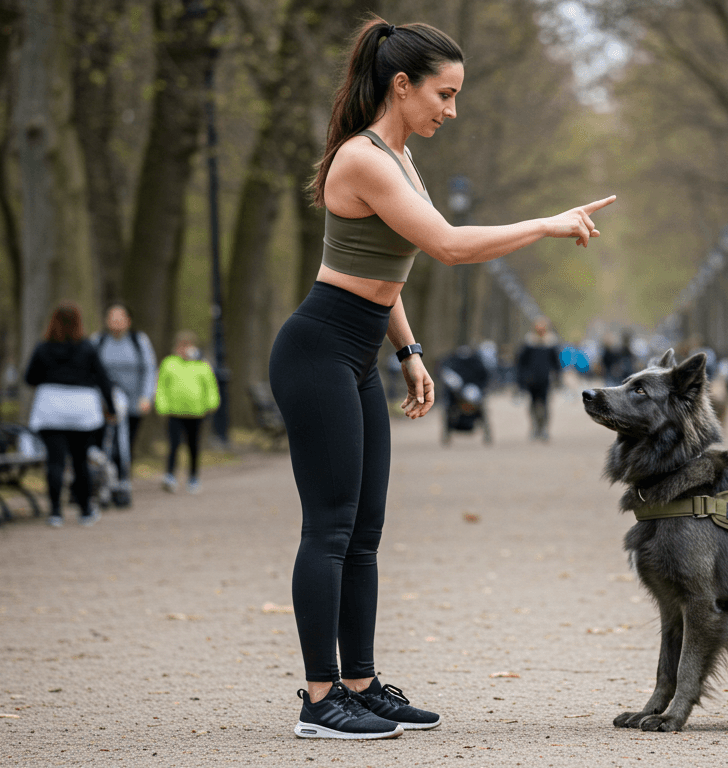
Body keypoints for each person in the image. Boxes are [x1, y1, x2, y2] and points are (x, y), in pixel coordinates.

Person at [266, 16, 614, 740]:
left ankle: (359, 684)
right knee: (328, 530)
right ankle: (319, 698)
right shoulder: (362, 159)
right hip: (318, 352)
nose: (451, 111)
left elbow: (385, 272)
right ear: (402, 84)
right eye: (444, 95)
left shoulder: (398, 158)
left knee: (364, 533)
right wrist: (548, 224)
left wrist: (408, 351)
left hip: (360, 353)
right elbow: (449, 247)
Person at [24, 301, 116, 528]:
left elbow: (30, 378)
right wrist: (111, 408)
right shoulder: (87, 348)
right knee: (80, 461)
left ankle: (55, 512)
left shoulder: (43, 348)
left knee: (55, 462)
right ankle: (85, 510)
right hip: (80, 409)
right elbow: (102, 379)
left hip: (51, 407)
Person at [90, 303, 157, 503]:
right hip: (103, 405)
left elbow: (149, 370)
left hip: (133, 404)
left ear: (128, 321)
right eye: (112, 318)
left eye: (120, 318)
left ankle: (122, 482)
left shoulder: (139, 341)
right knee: (103, 445)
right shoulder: (98, 341)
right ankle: (102, 484)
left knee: (125, 443)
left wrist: (147, 396)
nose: (116, 322)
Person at [155, 331, 219, 494]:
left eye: (187, 345)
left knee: (193, 446)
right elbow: (162, 386)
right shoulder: (169, 363)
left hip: (196, 412)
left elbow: (210, 386)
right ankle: (170, 475)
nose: (184, 349)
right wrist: (161, 405)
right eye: (181, 346)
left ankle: (193, 477)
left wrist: (212, 403)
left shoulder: (202, 365)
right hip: (174, 412)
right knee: (174, 445)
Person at [515, 318, 562, 441]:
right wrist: (521, 379)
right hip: (531, 379)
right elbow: (521, 362)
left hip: (545, 379)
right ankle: (535, 427)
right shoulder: (529, 343)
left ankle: (544, 429)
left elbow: (556, 362)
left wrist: (558, 377)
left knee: (545, 405)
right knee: (533, 404)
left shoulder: (550, 343)